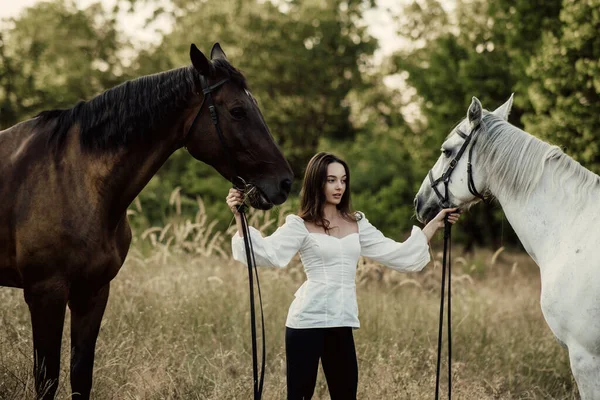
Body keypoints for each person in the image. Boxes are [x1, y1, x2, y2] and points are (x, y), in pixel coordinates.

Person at [226, 152, 459, 400]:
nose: (339, 186)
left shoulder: (357, 223)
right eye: (331, 180)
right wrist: (240, 215)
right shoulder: (299, 225)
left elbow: (398, 255)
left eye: (343, 180)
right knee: (299, 396)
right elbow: (267, 253)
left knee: (346, 395)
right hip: (306, 321)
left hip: (341, 319)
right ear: (317, 182)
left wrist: (434, 224)